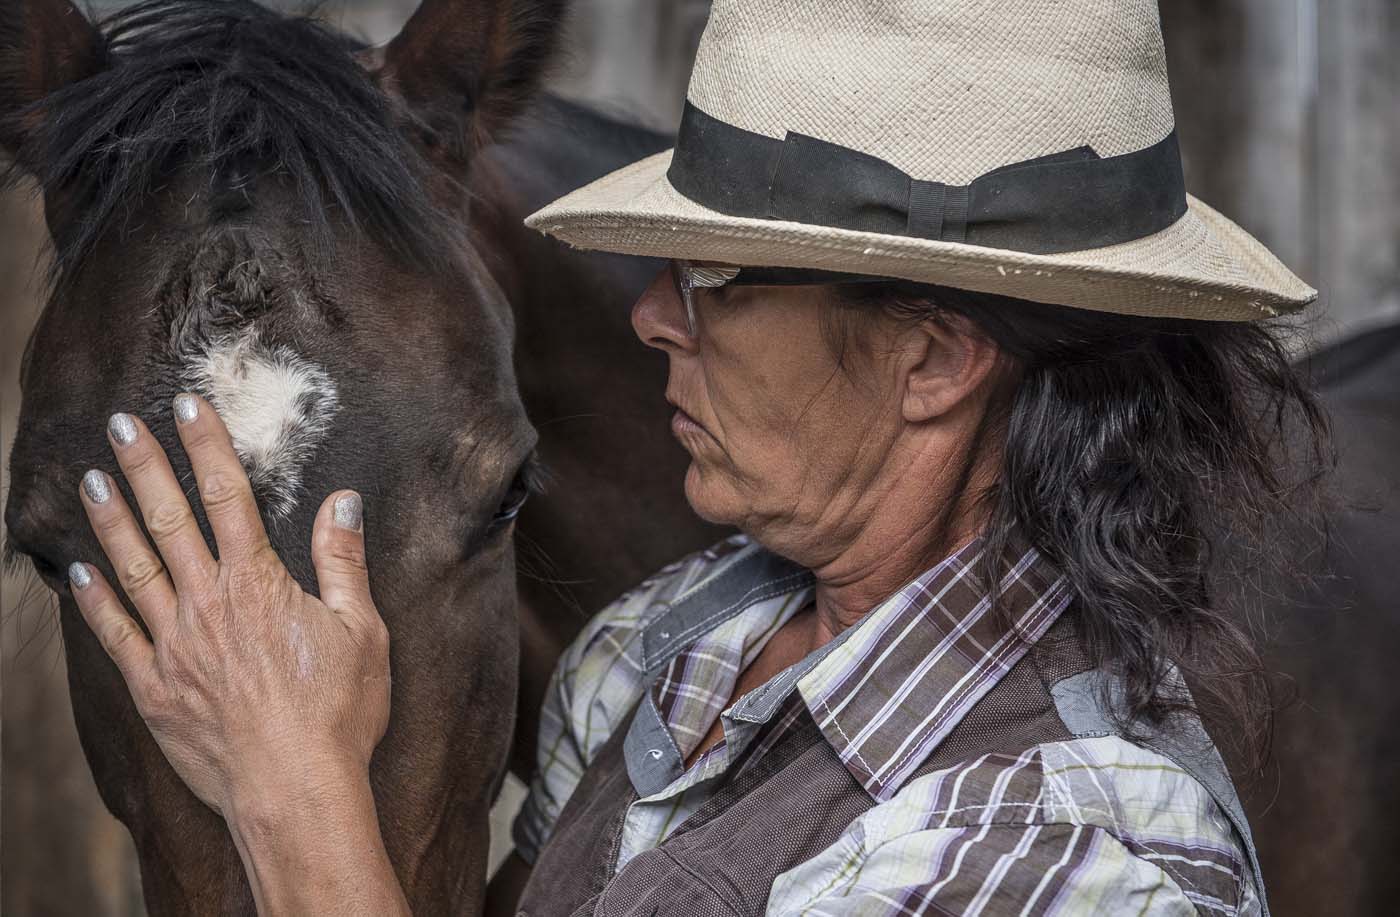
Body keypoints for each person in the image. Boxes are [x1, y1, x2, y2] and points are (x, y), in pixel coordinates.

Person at [66, 0, 1325, 913]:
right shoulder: (659, 650)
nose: (650, 315)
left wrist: (291, 785)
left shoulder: (1062, 853)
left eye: (712, 274)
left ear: (931, 361)